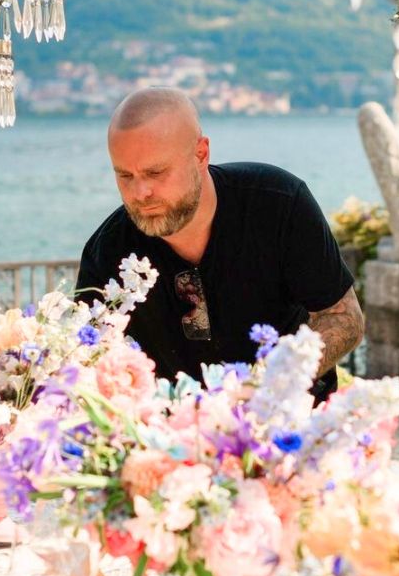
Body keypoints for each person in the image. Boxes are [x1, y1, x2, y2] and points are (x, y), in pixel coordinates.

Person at [75, 87, 364, 399]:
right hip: (173, 438)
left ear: (200, 154)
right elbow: (90, 358)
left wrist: (267, 386)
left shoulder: (278, 203)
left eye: (155, 172)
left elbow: (343, 318)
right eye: (125, 176)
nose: (140, 192)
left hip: (293, 422)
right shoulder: (107, 251)